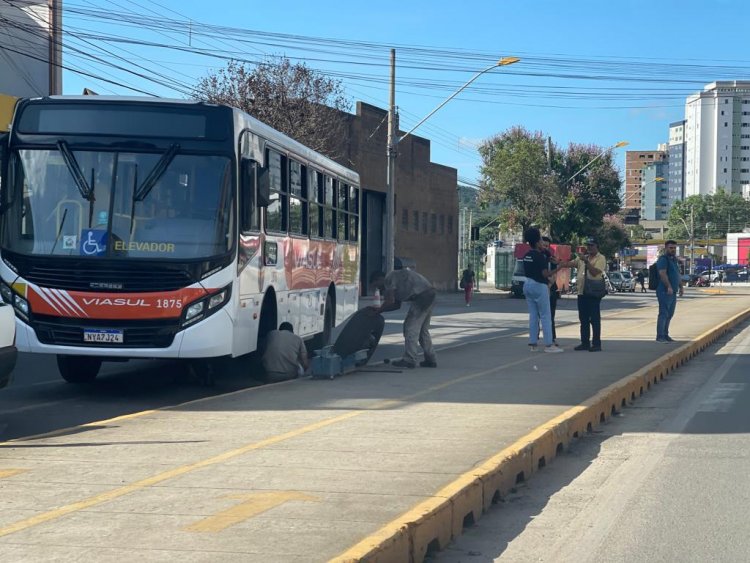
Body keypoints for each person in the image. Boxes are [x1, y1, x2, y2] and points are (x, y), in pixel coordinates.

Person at [369, 265, 437, 369]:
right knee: (423, 331)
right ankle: (430, 359)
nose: (379, 289)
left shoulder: (389, 279)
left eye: (377, 285)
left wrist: (377, 311)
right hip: (430, 293)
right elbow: (396, 305)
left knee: (410, 328)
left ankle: (409, 360)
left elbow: (390, 301)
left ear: (379, 279)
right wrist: (381, 311)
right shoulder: (397, 279)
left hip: (422, 297)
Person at [558, 237, 607, 352]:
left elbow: (595, 272)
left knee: (594, 319)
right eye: (588, 245)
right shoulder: (582, 258)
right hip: (581, 292)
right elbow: (571, 263)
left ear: (597, 247)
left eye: (592, 245)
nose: (589, 248)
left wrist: (586, 261)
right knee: (583, 319)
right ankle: (584, 342)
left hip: (593, 292)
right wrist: (559, 263)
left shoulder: (601, 258)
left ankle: (596, 344)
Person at [522, 228, 563, 353]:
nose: (542, 242)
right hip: (539, 285)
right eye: (540, 239)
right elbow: (545, 274)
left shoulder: (526, 255)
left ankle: (533, 343)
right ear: (537, 241)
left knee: (533, 315)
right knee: (545, 315)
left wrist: (546, 252)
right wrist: (558, 268)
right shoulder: (540, 256)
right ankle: (549, 344)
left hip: (527, 285)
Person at [656, 240, 684, 343]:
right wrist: (669, 286)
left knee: (670, 314)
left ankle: (666, 334)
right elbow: (662, 274)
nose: (673, 250)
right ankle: (660, 336)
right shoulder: (663, 259)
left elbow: (677, 274)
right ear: (666, 248)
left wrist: (681, 287)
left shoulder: (674, 260)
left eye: (674, 248)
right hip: (664, 291)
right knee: (663, 313)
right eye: (671, 248)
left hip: (673, 291)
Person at [541, 236, 560, 344]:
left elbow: (554, 274)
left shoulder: (551, 259)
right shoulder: (538, 258)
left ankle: (552, 338)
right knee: (538, 315)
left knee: (551, 316)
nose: (545, 248)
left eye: (547, 246)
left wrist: (549, 285)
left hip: (551, 290)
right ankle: (535, 337)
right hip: (540, 289)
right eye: (543, 245)